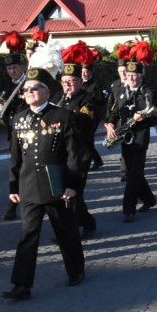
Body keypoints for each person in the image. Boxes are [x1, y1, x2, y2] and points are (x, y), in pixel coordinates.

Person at [2, 67, 85, 300]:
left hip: (56, 186)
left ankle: (76, 269)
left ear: (46, 92)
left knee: (65, 231)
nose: (28, 92)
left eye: (34, 88)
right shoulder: (19, 119)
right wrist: (13, 187)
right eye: (25, 90)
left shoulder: (63, 117)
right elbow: (15, 157)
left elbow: (73, 155)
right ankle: (21, 284)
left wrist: (72, 184)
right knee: (28, 236)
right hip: (29, 186)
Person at [105, 59, 157, 222]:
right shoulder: (121, 91)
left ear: (140, 77)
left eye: (134, 76)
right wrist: (109, 124)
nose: (131, 78)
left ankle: (128, 210)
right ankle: (149, 199)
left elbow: (155, 118)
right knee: (132, 172)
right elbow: (114, 112)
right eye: (128, 75)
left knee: (133, 175)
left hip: (140, 137)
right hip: (125, 137)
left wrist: (143, 118)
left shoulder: (147, 92)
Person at [56, 59, 97, 239]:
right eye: (65, 82)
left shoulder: (89, 99)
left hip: (81, 154)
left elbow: (84, 120)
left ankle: (68, 233)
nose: (68, 85)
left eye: (72, 81)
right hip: (61, 154)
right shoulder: (58, 99)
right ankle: (88, 221)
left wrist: (63, 114)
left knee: (74, 192)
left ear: (80, 81)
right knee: (67, 193)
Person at [0, 53, 28, 221]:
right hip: (14, 132)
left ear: (21, 67)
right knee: (15, 168)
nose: (12, 71)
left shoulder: (29, 82)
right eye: (9, 68)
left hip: (29, 132)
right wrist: (1, 109)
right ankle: (12, 205)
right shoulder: (7, 85)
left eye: (15, 67)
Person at [80, 60, 106, 171]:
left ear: (91, 72)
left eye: (86, 72)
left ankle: (94, 161)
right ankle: (97, 160)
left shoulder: (95, 84)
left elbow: (101, 100)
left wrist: (91, 99)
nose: (84, 74)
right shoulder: (79, 83)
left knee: (88, 139)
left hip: (92, 116)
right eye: (82, 72)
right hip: (81, 115)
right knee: (85, 140)